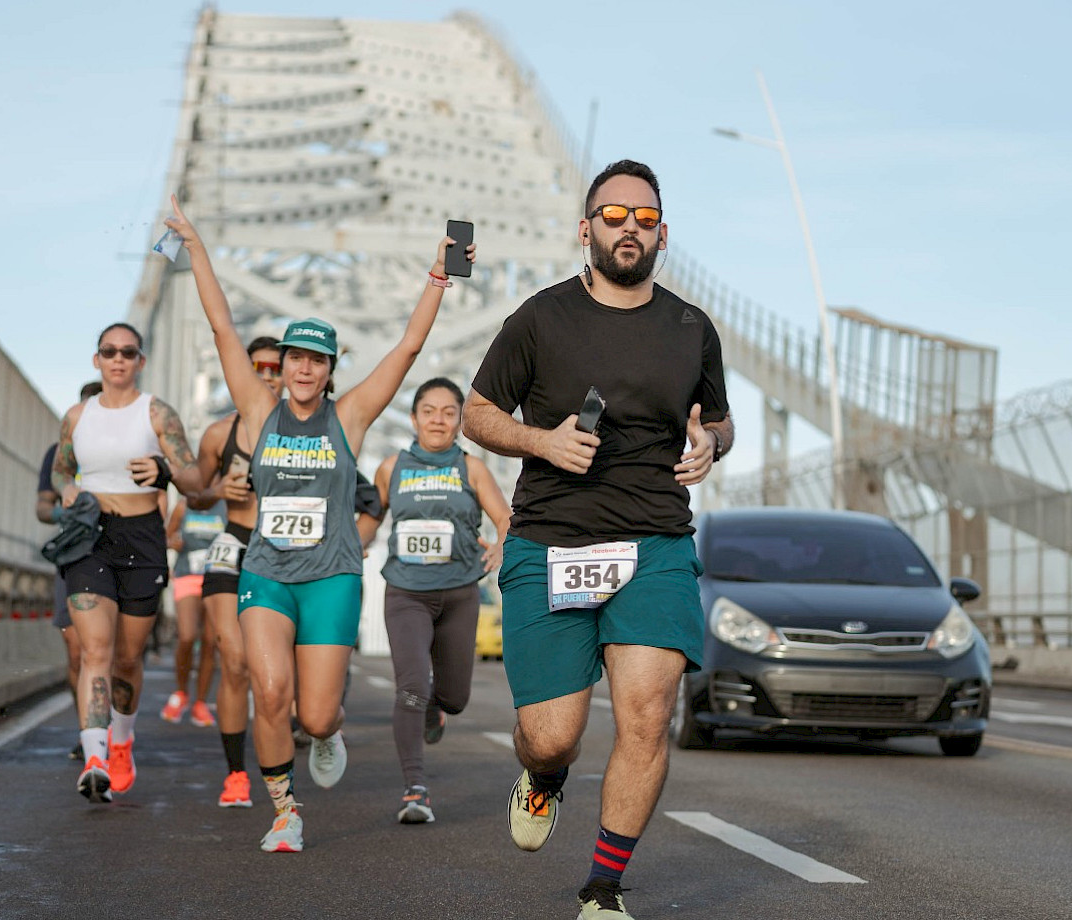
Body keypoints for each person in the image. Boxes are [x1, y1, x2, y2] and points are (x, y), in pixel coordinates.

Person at [463, 160, 734, 919]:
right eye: (613, 216)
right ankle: (544, 779)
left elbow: (719, 417)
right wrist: (541, 443)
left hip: (654, 543)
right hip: (551, 540)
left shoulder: (691, 329)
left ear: (663, 234)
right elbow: (477, 415)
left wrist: (714, 442)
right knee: (552, 737)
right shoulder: (540, 319)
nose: (628, 228)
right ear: (585, 230)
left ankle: (604, 887)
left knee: (647, 714)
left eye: (644, 218)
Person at [165, 195, 472, 853]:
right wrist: (195, 247)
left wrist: (437, 278)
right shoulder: (255, 408)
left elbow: (409, 347)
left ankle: (325, 733)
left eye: (315, 360)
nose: (302, 368)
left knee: (316, 712)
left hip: (331, 576)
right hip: (268, 572)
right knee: (269, 691)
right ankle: (284, 810)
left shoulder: (351, 417)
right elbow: (222, 327)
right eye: (295, 357)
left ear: (330, 372)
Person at [51, 321, 210, 804]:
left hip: (142, 539)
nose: (118, 359)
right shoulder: (77, 416)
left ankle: (121, 741)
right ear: (96, 360)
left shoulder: (158, 413)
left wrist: (165, 469)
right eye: (108, 351)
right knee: (94, 652)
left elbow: (194, 481)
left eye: (127, 352)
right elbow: (61, 468)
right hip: (90, 537)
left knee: (126, 659)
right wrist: (68, 487)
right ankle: (95, 755)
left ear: (140, 361)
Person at [356, 377, 511, 824]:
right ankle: (415, 789)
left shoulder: (471, 467)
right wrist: (354, 544)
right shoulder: (392, 467)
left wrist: (501, 543)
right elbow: (372, 518)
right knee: (410, 686)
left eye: (448, 412)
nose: (438, 420)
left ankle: (437, 710)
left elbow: (505, 518)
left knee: (454, 696)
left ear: (459, 421)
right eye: (429, 411)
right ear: (414, 418)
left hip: (461, 592)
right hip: (406, 592)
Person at [189, 334, 285, 808]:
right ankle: (235, 774)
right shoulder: (218, 434)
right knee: (235, 660)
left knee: (281, 673)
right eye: (257, 368)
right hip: (234, 544)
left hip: (284, 554)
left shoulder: (308, 431)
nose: (266, 377)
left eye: (274, 368)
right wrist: (219, 492)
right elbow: (194, 494)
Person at [36, 379, 104, 761]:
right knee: (77, 651)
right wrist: (70, 511)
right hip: (74, 557)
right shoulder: (59, 454)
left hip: (122, 554)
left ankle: (114, 729)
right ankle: (88, 731)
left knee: (116, 652)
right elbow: (41, 508)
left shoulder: (127, 448)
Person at [162, 497, 226, 727]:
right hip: (187, 573)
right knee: (187, 636)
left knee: (210, 641)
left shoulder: (225, 504)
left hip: (218, 576)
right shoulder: (183, 505)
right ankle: (181, 692)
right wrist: (173, 541)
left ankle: (200, 702)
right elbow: (166, 536)